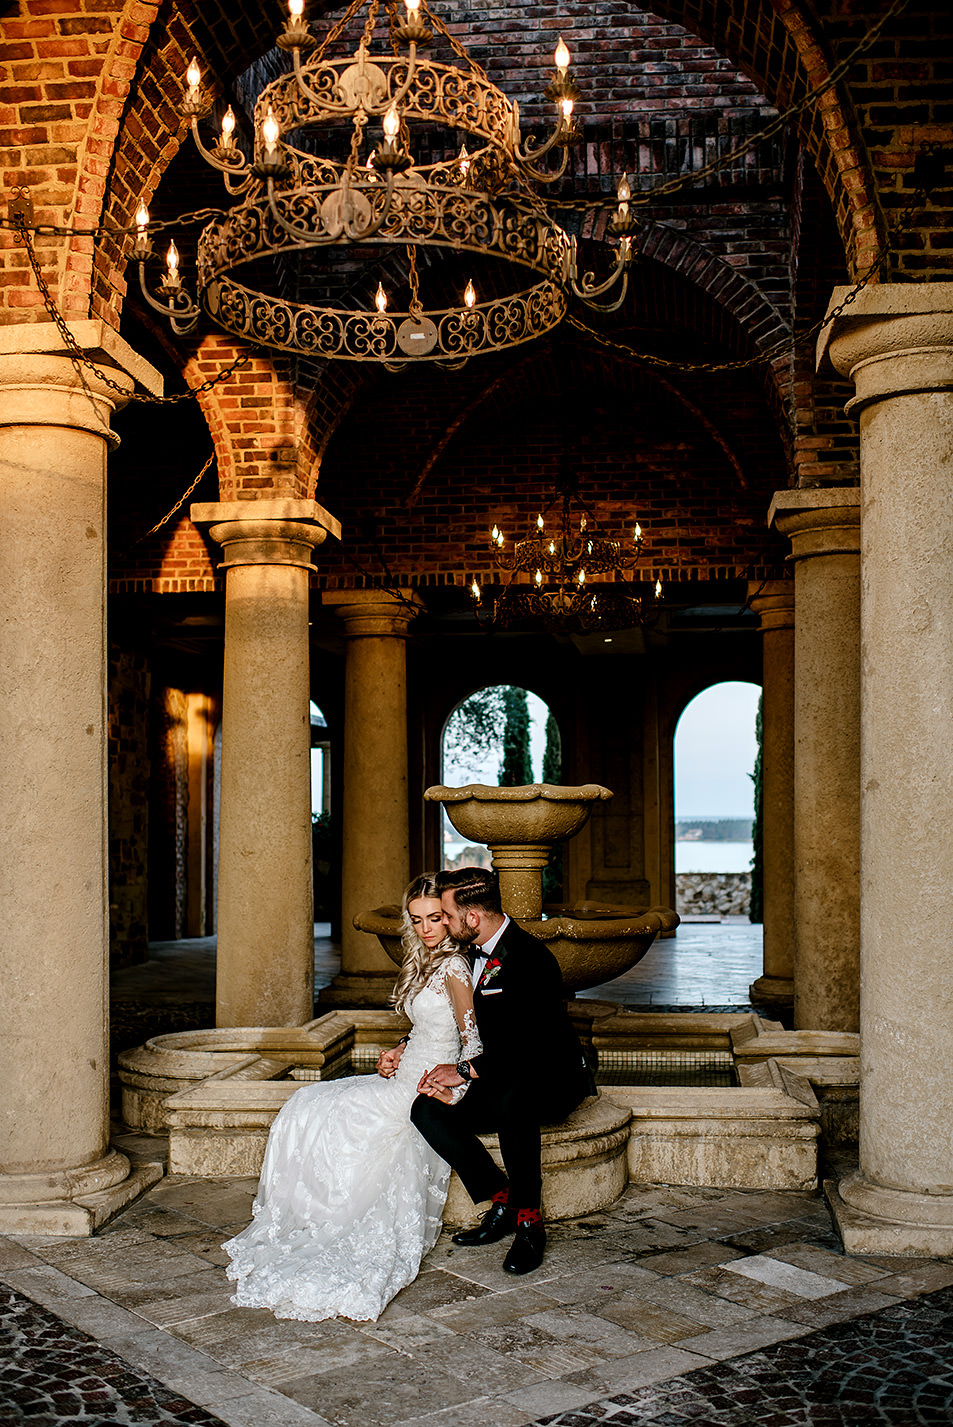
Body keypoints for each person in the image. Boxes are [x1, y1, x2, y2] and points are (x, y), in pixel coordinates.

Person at [222, 873, 481, 1323]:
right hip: (403, 1076)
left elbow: (474, 1042)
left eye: (435, 919)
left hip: (423, 1091)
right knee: (306, 1103)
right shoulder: (429, 960)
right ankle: (306, 1214)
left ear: (450, 916)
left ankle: (324, 1217)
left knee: (324, 1112)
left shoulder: (456, 967)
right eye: (417, 920)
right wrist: (399, 1051)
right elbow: (427, 1029)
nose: (425, 929)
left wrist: (455, 1082)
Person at [411, 867, 593, 1276]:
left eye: (447, 916)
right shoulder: (468, 953)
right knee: (425, 1111)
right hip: (495, 1073)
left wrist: (463, 1070)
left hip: (548, 1079)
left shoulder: (531, 959)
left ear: (472, 918)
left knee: (515, 1095)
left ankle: (530, 1220)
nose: (443, 923)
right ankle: (503, 1197)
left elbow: (531, 1050)